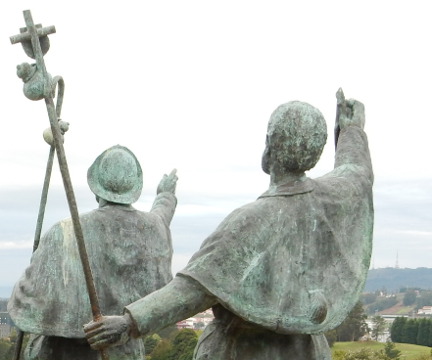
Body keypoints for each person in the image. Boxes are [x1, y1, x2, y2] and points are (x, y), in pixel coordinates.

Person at [84, 91, 374, 360]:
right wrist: (351, 130)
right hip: (307, 350)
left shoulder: (251, 221)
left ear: (270, 144)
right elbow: (357, 172)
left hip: (241, 350)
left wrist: (128, 322)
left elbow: (193, 290)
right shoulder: (334, 197)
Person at [8, 144, 178, 360]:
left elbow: (27, 305)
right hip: (125, 353)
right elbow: (161, 217)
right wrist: (166, 194)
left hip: (66, 353)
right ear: (133, 189)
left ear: (96, 188)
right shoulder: (153, 229)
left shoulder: (65, 232)